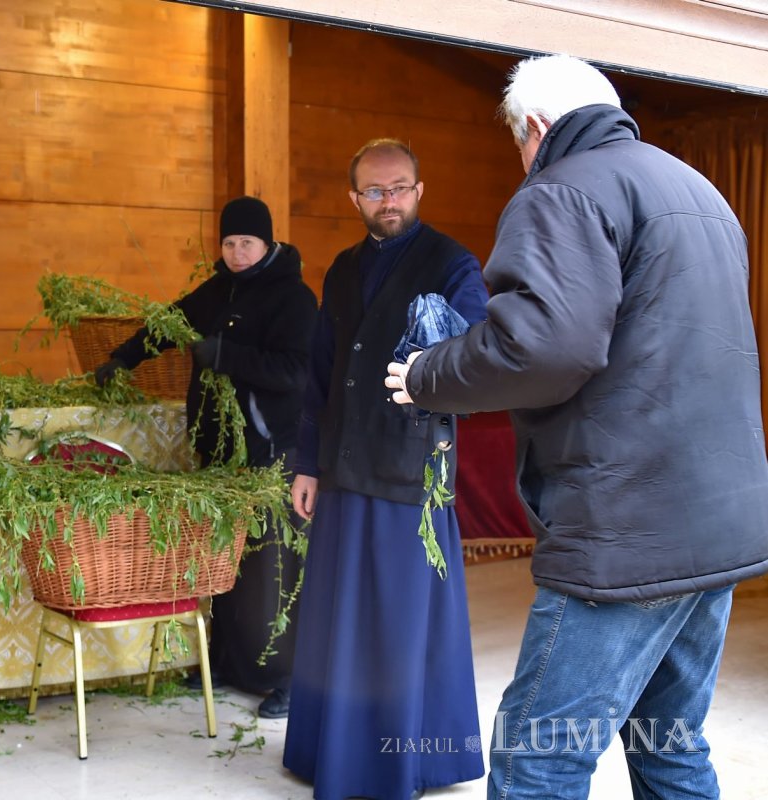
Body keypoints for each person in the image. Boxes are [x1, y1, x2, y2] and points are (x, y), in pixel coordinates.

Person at [386, 54, 768, 799]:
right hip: (718, 521)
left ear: (534, 127)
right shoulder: (698, 191)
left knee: (538, 759)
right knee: (669, 745)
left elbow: (544, 347)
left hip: (627, 532)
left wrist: (426, 373)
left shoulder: (560, 188)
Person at [282, 139, 489, 799]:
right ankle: (332, 754)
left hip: (409, 471)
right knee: (337, 619)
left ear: (419, 190)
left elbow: (478, 355)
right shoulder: (341, 269)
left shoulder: (451, 263)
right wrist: (306, 464)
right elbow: (320, 376)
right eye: (373, 191)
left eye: (398, 187)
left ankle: (405, 762)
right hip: (342, 466)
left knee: (401, 621)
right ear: (354, 199)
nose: (387, 200)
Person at [93, 195, 317, 718]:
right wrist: (121, 358)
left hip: (270, 452)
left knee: (277, 564)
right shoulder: (218, 290)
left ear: (267, 243)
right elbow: (169, 325)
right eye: (229, 243)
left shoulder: (294, 299)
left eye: (247, 242)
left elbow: (298, 374)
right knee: (226, 561)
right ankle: (227, 666)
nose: (237, 252)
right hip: (223, 455)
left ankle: (291, 679)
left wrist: (228, 357)